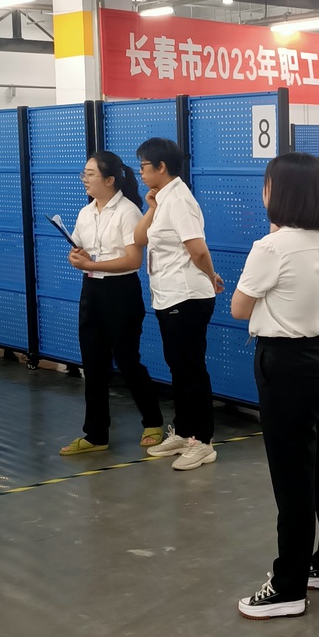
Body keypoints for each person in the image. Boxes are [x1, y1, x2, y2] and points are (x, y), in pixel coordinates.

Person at [230, 152, 319, 620]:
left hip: (285, 367)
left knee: (293, 479)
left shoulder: (271, 247)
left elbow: (239, 308)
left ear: (278, 193)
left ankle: (288, 587)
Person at [60, 152, 165, 457]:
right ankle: (95, 434)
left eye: (90, 174)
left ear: (109, 180)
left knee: (128, 360)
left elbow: (133, 260)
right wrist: (76, 258)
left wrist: (92, 264)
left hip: (121, 292)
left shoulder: (128, 212)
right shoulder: (86, 212)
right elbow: (79, 250)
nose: (85, 180)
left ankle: (153, 422)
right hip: (91, 291)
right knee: (93, 363)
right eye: (84, 174)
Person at [132, 138, 223, 472]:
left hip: (187, 296)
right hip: (168, 295)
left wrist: (211, 276)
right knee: (178, 366)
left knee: (191, 368)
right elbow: (139, 238)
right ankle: (184, 432)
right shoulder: (163, 200)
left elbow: (197, 249)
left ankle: (203, 441)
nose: (140, 172)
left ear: (161, 167)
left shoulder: (181, 201)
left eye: (144, 166)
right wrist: (151, 207)